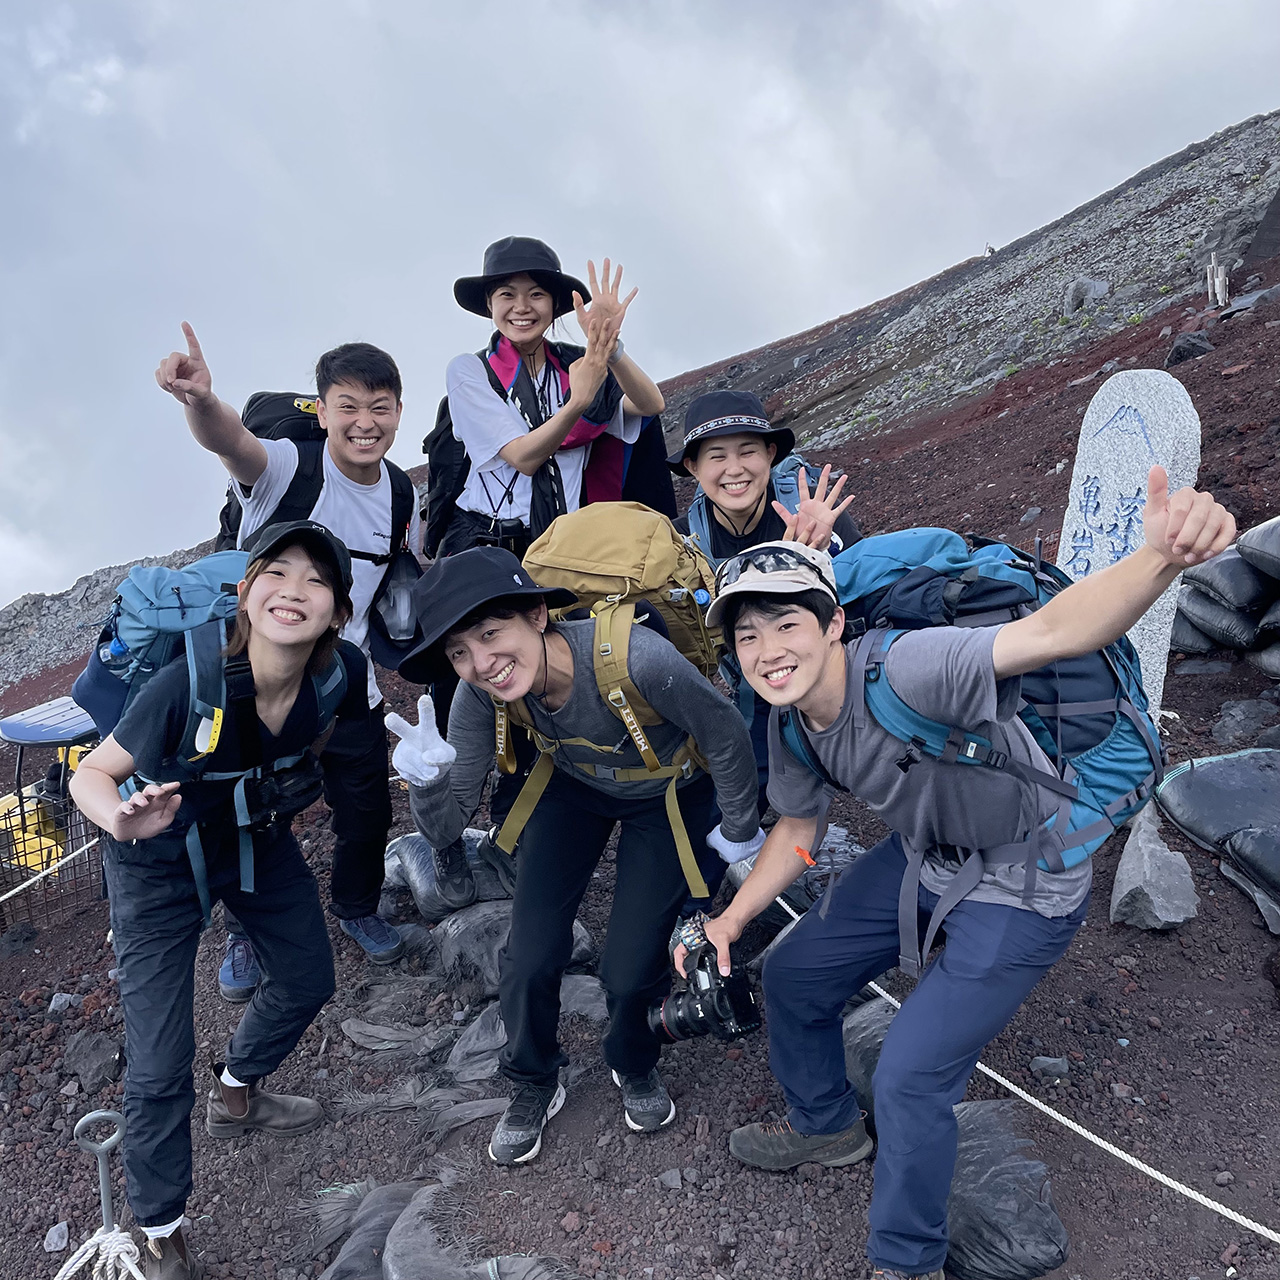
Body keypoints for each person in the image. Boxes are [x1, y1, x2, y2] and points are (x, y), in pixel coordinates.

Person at [686, 469, 1235, 1280]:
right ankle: (828, 1127)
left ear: (834, 623)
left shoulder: (909, 668)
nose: (768, 652)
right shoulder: (791, 722)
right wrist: (731, 921)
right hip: (927, 855)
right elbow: (800, 830)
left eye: (785, 625)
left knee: (911, 1074)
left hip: (1025, 879)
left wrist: (1159, 558)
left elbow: (1053, 634)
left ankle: (904, 1262)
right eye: (747, 637)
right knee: (797, 974)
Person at [388, 546, 761, 1165]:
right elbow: (451, 821)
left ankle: (633, 1061)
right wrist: (426, 785)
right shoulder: (479, 694)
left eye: (490, 632)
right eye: (458, 651)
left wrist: (740, 832)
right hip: (573, 787)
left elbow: (723, 734)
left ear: (536, 614)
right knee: (529, 954)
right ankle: (533, 1080)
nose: (481, 663)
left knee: (627, 966)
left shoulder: (638, 658)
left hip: (667, 791)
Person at [70, 522, 370, 1280]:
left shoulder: (340, 676)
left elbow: (342, 759)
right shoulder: (188, 682)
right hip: (154, 855)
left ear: (338, 612)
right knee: (159, 1058)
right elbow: (90, 777)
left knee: (308, 975)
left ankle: (235, 1094)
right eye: (277, 572)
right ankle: (163, 1230)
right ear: (245, 593)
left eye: (317, 580)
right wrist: (120, 819)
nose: (293, 590)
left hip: (251, 835)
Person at [155, 327, 415, 989]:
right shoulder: (286, 468)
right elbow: (229, 443)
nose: (365, 422)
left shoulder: (399, 493)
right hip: (253, 677)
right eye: (348, 407)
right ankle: (245, 933)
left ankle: (357, 905)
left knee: (367, 811)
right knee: (243, 810)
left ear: (398, 413)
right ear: (321, 412)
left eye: (380, 407)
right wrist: (200, 401)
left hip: (345, 683)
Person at [669, 390, 861, 908]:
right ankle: (703, 908)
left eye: (748, 450)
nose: (735, 469)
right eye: (716, 455)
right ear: (692, 467)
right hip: (760, 680)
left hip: (843, 671)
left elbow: (864, 601)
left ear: (771, 455)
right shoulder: (694, 535)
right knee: (738, 776)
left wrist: (816, 555)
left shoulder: (812, 511)